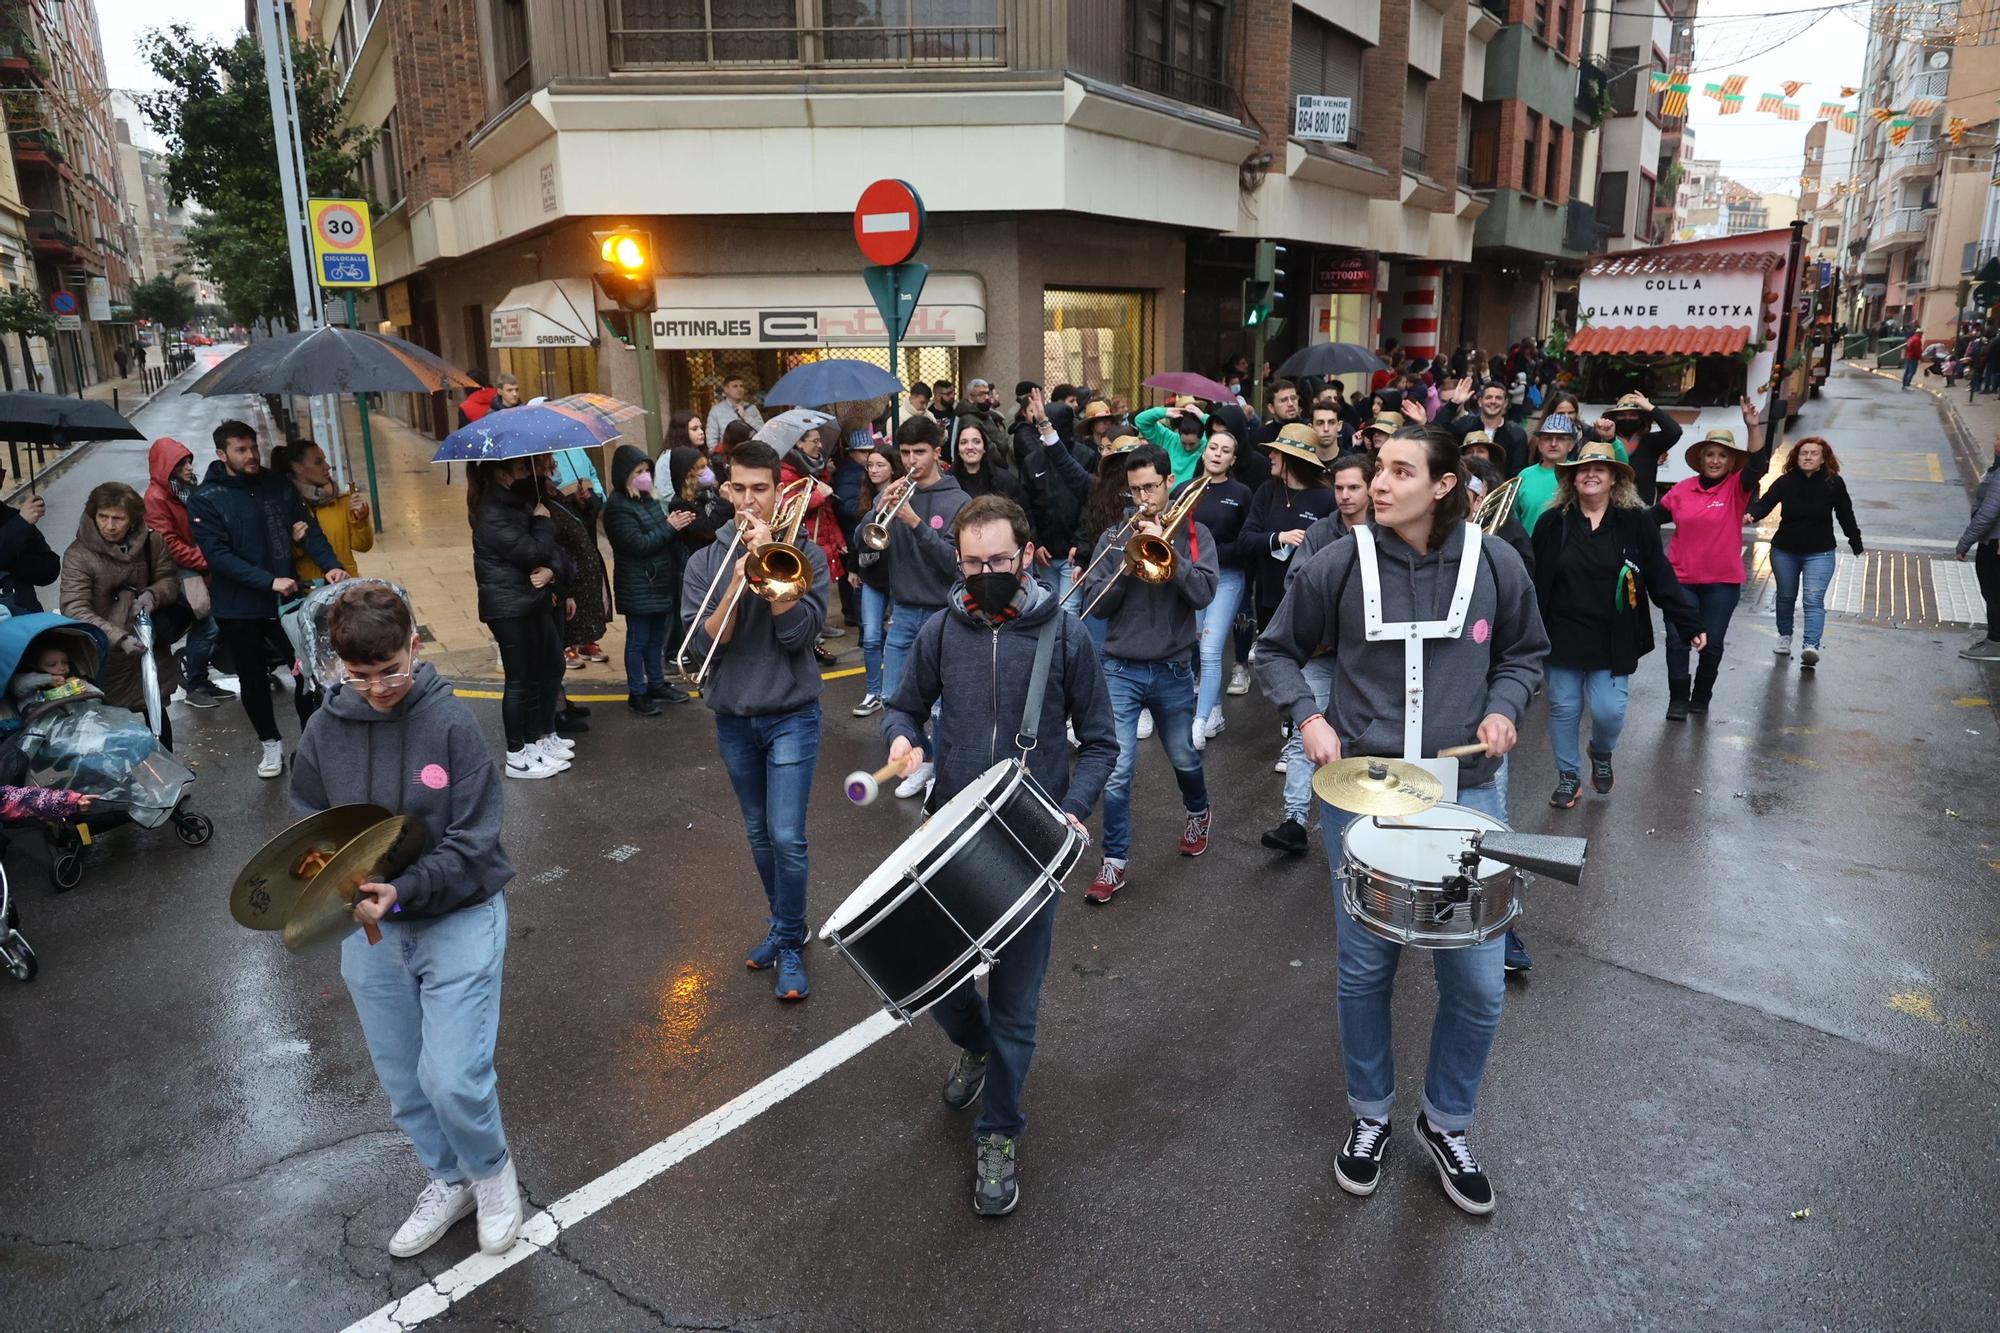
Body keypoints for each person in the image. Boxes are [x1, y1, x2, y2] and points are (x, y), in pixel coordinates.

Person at [1255, 428, 1548, 1218]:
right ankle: (1371, 1113)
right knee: (1365, 967)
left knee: (1479, 982)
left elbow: (1524, 655)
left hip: (1466, 793)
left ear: (1445, 483)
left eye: (1398, 471)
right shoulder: (1337, 560)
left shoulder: (1496, 563)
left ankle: (1445, 1121)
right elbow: (1274, 651)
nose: (1376, 483)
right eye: (1376, 469)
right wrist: (1308, 716)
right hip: (1361, 794)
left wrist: (1502, 707)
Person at [880, 494, 1116, 1216]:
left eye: (1000, 561)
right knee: (936, 986)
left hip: (1029, 844)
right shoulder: (939, 631)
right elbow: (904, 704)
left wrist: (1074, 809)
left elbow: (1102, 740)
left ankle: (1000, 1128)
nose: (987, 573)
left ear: (1027, 556)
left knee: (1016, 1005)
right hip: (949, 835)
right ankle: (975, 1045)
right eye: (974, 562)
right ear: (959, 559)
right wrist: (900, 735)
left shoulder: (1065, 635)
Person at [289, 583, 525, 1260]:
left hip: (459, 912)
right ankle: (447, 1179)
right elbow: (310, 821)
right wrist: (331, 880)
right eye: (358, 676)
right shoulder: (324, 728)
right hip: (372, 928)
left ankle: (491, 1171)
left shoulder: (452, 724)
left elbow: (476, 837)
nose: (377, 687)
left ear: (415, 646)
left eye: (391, 669)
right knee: (403, 1080)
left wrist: (406, 886)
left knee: (452, 1074)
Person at [679, 440, 830, 1001]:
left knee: (787, 836)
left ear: (777, 491)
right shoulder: (704, 561)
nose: (749, 500)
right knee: (759, 834)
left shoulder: (805, 556)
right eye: (738, 488)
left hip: (792, 712)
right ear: (727, 489)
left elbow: (798, 637)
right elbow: (698, 648)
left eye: (760, 489)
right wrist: (743, 579)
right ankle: (786, 923)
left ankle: (789, 942)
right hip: (735, 717)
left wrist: (772, 574)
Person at [1079, 442, 1218, 903]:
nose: (1143, 498)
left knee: (1183, 757)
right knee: (1117, 772)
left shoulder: (1194, 533)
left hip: (1174, 668)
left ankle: (1198, 810)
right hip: (1120, 667)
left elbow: (1202, 596)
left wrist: (1169, 555)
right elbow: (1095, 607)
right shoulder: (1113, 539)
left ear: (1168, 483)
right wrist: (1128, 563)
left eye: (1151, 488)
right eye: (1135, 489)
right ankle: (1114, 862)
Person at [1532, 443, 1704, 809]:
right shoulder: (1552, 523)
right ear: (1572, 478)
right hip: (1562, 633)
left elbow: (1659, 575)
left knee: (1610, 711)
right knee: (1563, 707)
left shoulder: (1634, 522)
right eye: (1583, 469)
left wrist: (1689, 623)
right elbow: (1532, 580)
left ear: (1613, 480)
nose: (1590, 475)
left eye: (1600, 469)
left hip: (1614, 636)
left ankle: (1601, 751)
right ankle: (1568, 776)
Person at [188, 419, 347, 778]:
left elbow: (309, 530)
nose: (250, 455)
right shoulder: (206, 499)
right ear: (221, 454)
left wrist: (331, 565)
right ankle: (270, 744)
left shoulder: (276, 486)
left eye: (253, 448)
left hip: (284, 603)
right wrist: (268, 580)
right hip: (238, 606)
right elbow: (218, 556)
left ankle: (310, 742)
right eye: (240, 450)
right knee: (253, 678)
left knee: (306, 670)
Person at [1263, 446, 1375, 856]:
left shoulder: (1385, 531)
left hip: (1368, 657)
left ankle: (1365, 824)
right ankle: (1293, 821)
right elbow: (1298, 584)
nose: (1345, 495)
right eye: (1339, 487)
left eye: (1353, 487)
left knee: (1364, 738)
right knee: (1302, 732)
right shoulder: (1318, 534)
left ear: (1369, 488)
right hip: (1324, 651)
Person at [1653, 399, 1772, 721]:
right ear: (1700, 459)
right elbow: (1650, 520)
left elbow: (1759, 464)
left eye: (1722, 455)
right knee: (1677, 641)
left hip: (1721, 583)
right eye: (1710, 454)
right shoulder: (1681, 490)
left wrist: (1751, 425)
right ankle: (1677, 699)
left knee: (1712, 644)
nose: (1715, 460)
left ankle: (1701, 695)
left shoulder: (1737, 488)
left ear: (1731, 461)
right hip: (1680, 580)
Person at [879, 416, 968, 798]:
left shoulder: (958, 501)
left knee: (942, 704)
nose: (911, 460)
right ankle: (925, 760)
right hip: (903, 610)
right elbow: (866, 543)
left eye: (919, 452)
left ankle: (942, 776)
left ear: (936, 453)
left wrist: (915, 522)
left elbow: (953, 562)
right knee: (894, 697)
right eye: (905, 452)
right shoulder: (899, 490)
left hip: (940, 612)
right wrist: (879, 508)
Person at [59, 482, 182, 747]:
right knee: (112, 728)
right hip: (105, 654)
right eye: (103, 517)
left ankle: (171, 778)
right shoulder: (79, 555)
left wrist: (153, 593)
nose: (110, 525)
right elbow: (74, 607)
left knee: (156, 715)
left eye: (118, 518)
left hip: (149, 644)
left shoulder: (151, 542)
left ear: (133, 519)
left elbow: (170, 580)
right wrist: (118, 637)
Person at [466, 457, 567, 778]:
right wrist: (542, 522)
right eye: (523, 469)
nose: (529, 475)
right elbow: (532, 552)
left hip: (527, 600)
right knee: (520, 681)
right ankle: (517, 756)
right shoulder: (493, 512)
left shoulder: (516, 504)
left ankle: (534, 742)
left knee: (539, 673)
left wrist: (551, 566)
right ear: (501, 471)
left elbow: (552, 553)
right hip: (508, 606)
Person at [1747, 436, 1862, 669]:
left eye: (1814, 453)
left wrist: (1855, 541)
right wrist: (1752, 514)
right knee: (1786, 595)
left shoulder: (1834, 483)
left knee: (1813, 599)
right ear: (1796, 457)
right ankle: (1785, 636)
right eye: (1803, 453)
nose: (1808, 457)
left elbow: (1845, 514)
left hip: (1820, 552)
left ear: (1823, 459)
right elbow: (1765, 503)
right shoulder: (1785, 482)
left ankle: (1811, 646)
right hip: (1784, 551)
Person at [142, 438, 233, 709]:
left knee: (213, 621)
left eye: (189, 461)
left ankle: (201, 679)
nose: (189, 467)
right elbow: (169, 545)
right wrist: (207, 559)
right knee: (207, 623)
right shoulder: (156, 498)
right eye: (181, 463)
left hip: (200, 564)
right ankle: (195, 685)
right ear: (166, 467)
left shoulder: (185, 490)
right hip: (184, 569)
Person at [603, 445, 693, 715]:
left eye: (647, 471)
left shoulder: (647, 499)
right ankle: (637, 692)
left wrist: (675, 523)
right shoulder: (618, 507)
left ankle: (656, 684)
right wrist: (669, 526)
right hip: (638, 584)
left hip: (658, 581)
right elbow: (638, 544)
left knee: (655, 639)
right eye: (638, 472)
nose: (645, 476)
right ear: (625, 475)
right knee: (638, 640)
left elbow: (659, 531)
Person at [1186, 430, 1252, 751]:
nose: (1217, 454)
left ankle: (1200, 724)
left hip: (1227, 577)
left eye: (1225, 450)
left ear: (1233, 460)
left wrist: (1214, 554)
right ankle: (1213, 710)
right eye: (1213, 447)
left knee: (1211, 650)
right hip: (1192, 578)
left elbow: (1247, 539)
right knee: (1194, 645)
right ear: (1204, 451)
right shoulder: (1185, 489)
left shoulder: (1240, 492)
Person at [533, 453, 609, 677]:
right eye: (549, 464)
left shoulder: (576, 453)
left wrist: (587, 499)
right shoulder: (538, 497)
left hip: (579, 548)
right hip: (559, 563)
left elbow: (592, 478)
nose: (553, 467)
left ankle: (586, 641)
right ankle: (569, 646)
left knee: (587, 598)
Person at [847, 445, 903, 715]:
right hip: (872, 575)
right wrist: (853, 569)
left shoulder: (904, 494)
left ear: (892, 466)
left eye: (880, 465)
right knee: (870, 638)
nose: (874, 470)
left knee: (898, 638)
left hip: (898, 576)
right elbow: (856, 538)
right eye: (870, 465)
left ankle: (896, 690)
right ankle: (873, 692)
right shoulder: (867, 497)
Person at [272, 439, 374, 583]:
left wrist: (361, 520)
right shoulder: (285, 505)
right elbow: (276, 558)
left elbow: (363, 546)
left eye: (325, 461)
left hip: (343, 587)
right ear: (298, 467)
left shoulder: (341, 501)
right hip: (310, 591)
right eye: (318, 462)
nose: (327, 467)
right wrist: (293, 542)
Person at [1589, 392, 1683, 504]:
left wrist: (1650, 408)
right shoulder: (1601, 440)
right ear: (1614, 418)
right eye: (1622, 415)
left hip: (1643, 512)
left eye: (1633, 414)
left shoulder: (1651, 442)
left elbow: (1675, 432)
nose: (1627, 418)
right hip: (1607, 510)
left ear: (1641, 418)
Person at [1958, 436, 2000, 660]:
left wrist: (1964, 542)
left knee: (1993, 593)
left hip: (1994, 544)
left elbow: (1987, 514)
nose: (1995, 442)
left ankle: (1996, 643)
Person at [0, 462, 59, 615]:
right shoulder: (20, 520)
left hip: (23, 617)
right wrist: (21, 524)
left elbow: (50, 570)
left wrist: (15, 563)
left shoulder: (11, 517)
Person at [1443, 378, 1528, 476]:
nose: (1493, 401)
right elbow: (1438, 436)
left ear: (1505, 403)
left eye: (1498, 398)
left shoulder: (1517, 434)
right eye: (1488, 397)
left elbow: (1518, 470)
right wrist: (1453, 403)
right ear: (1480, 402)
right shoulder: (1463, 425)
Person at [1513, 413, 1578, 535]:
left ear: (1571, 445)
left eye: (1561, 438)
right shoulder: (1524, 476)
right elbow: (1513, 520)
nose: (1553, 443)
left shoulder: (1579, 474)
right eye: (1547, 438)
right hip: (1529, 550)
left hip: (1569, 550)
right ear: (1539, 444)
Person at [951, 420, 1026, 508]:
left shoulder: (1005, 480)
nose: (970, 447)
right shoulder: (947, 483)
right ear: (958, 450)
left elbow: (1023, 513)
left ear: (984, 448)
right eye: (964, 442)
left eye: (976, 441)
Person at [705, 373, 764, 445]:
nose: (739, 389)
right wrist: (717, 454)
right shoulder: (716, 411)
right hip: (727, 453)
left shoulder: (752, 408)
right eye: (735, 386)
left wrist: (746, 417)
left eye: (741, 386)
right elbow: (711, 438)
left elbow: (763, 431)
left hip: (750, 451)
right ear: (726, 389)